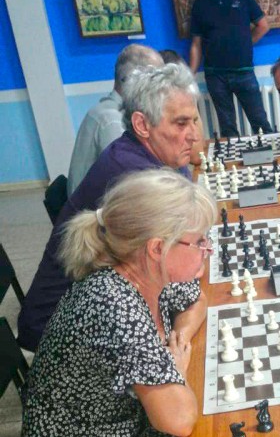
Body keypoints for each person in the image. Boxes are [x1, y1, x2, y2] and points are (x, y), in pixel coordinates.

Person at [21, 169, 217, 437]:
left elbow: (197, 300)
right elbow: (179, 420)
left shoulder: (145, 269)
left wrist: (179, 340)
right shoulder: (112, 303)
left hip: (126, 419)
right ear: (157, 248)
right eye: (199, 242)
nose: (208, 250)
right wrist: (176, 370)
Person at [18, 63, 202, 352]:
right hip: (62, 329)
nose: (193, 135)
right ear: (142, 125)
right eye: (181, 124)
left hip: (105, 307)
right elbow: (185, 264)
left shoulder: (147, 153)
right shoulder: (132, 174)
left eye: (194, 121)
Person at [188, 0, 272, 137]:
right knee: (228, 130)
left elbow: (263, 25)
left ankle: (271, 155)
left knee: (261, 124)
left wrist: (245, 44)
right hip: (216, 76)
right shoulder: (199, 4)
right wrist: (189, 75)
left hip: (244, 72)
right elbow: (196, 44)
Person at [67, 44, 164, 195]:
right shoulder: (113, 121)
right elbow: (131, 183)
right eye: (156, 82)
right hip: (98, 207)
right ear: (133, 81)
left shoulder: (105, 111)